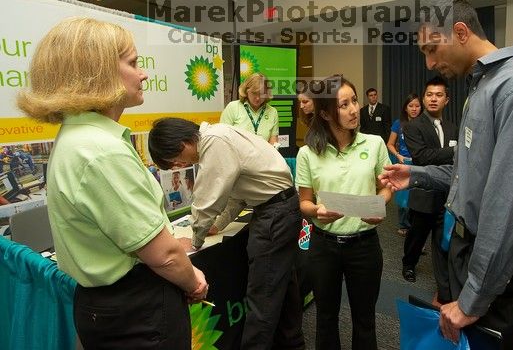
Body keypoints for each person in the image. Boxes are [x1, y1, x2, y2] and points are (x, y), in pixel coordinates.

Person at [379, 0, 513, 349]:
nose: (430, 62)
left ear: (460, 32)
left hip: (498, 259)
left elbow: (512, 206)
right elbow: (471, 172)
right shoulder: (483, 86)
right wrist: (417, 174)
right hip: (469, 249)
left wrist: (473, 299)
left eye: (431, 49)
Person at [16, 17, 208, 349]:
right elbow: (163, 255)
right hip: (138, 310)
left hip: (109, 308)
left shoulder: (78, 137)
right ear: (99, 74)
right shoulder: (100, 150)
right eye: (133, 63)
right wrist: (194, 281)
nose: (143, 73)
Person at [148, 118, 304, 350]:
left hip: (274, 215)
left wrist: (195, 240)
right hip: (281, 209)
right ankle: (293, 344)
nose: (181, 166)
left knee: (262, 298)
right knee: (282, 290)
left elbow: (205, 200)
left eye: (175, 162)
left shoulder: (213, 143)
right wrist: (217, 224)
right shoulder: (220, 134)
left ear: (181, 145)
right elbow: (237, 194)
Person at [295, 75, 392, 350]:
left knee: (365, 318)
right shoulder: (307, 153)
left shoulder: (374, 144)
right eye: (343, 105)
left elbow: (386, 189)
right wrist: (317, 211)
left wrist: (380, 204)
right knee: (325, 318)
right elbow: (304, 203)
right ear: (325, 113)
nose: (353, 110)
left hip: (364, 245)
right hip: (323, 246)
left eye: (354, 101)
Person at [401, 77, 458, 298]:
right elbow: (422, 157)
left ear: (446, 99)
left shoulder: (453, 127)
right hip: (424, 194)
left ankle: (444, 287)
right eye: (429, 95)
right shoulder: (413, 126)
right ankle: (409, 264)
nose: (433, 99)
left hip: (447, 197)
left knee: (443, 242)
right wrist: (454, 153)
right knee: (416, 236)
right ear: (424, 99)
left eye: (438, 95)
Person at [387, 93, 422, 235]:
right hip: (403, 163)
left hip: (420, 163)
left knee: (418, 197)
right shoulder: (398, 123)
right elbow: (390, 144)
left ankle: (416, 226)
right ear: (405, 108)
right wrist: (398, 155)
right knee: (403, 199)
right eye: (411, 106)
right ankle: (403, 224)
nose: (414, 109)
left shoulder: (424, 123)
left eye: (417, 106)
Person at [220, 72, 279, 145]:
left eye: (261, 94)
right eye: (254, 93)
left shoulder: (272, 112)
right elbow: (222, 137)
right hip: (237, 155)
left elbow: (273, 142)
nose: (258, 98)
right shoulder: (233, 107)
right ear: (246, 91)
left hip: (263, 155)